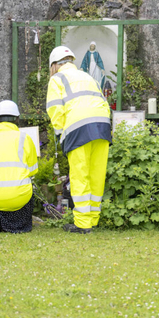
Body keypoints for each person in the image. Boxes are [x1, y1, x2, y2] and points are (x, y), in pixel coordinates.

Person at [46, 46, 111, 234]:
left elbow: (55, 109)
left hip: (77, 126)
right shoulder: (87, 76)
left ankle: (82, 224)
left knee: (80, 174)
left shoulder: (57, 79)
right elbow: (102, 101)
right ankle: (93, 219)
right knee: (96, 174)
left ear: (54, 65)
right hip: (102, 125)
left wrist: (60, 134)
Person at [0, 100, 38, 234]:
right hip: (18, 196)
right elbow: (33, 170)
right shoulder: (24, 138)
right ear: (17, 118)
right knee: (26, 187)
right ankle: (18, 226)